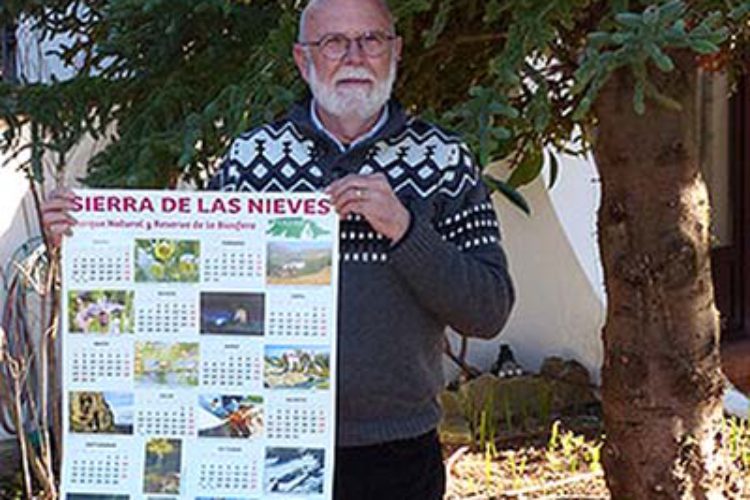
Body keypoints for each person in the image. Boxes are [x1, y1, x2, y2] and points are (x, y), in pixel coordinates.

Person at [41, 0, 515, 498]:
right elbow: (187, 282)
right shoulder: (250, 160)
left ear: (394, 51)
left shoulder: (444, 161)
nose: (354, 56)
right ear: (302, 59)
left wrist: (404, 228)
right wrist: (86, 238)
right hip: (259, 448)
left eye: (371, 39)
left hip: (394, 453)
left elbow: (487, 311)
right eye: (333, 42)